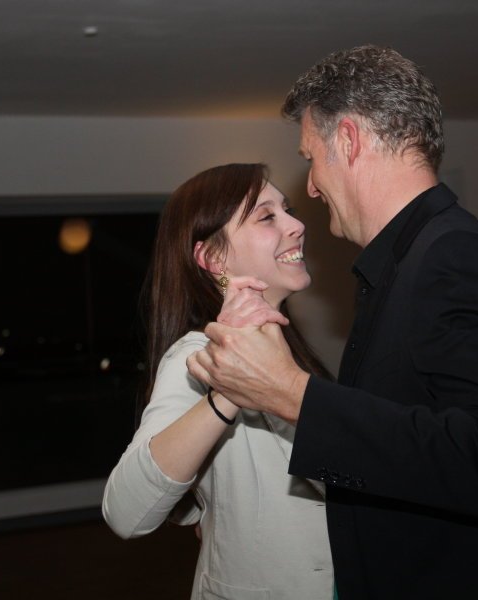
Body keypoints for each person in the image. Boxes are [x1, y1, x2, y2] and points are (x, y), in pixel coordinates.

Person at [187, 46, 478, 598]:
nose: (312, 186)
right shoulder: (410, 261)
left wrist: (292, 394)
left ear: (348, 141)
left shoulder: (452, 256)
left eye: (312, 158)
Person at [102, 163, 334, 599]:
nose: (296, 225)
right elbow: (126, 512)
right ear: (214, 258)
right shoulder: (195, 357)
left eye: (287, 210)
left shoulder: (290, 349)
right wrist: (226, 388)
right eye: (267, 217)